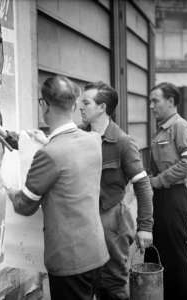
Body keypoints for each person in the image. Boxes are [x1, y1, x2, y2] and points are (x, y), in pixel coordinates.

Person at [3, 76, 109, 300]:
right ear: (73, 105)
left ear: (44, 106)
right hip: (96, 251)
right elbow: (68, 160)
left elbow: (25, 205)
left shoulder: (49, 154)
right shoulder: (94, 141)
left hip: (69, 260)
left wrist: (9, 191)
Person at [79, 81, 154, 300]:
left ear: (102, 107)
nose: (80, 107)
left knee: (112, 285)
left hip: (112, 223)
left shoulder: (122, 142)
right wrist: (13, 139)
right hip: (84, 221)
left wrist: (145, 227)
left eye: (86, 102)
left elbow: (143, 185)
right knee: (87, 282)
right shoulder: (79, 137)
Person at [147, 82, 187, 300]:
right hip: (160, 198)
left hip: (174, 197)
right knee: (158, 253)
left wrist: (158, 181)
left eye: (155, 100)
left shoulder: (179, 126)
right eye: (150, 101)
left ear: (171, 101)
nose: (151, 105)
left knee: (175, 257)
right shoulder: (162, 128)